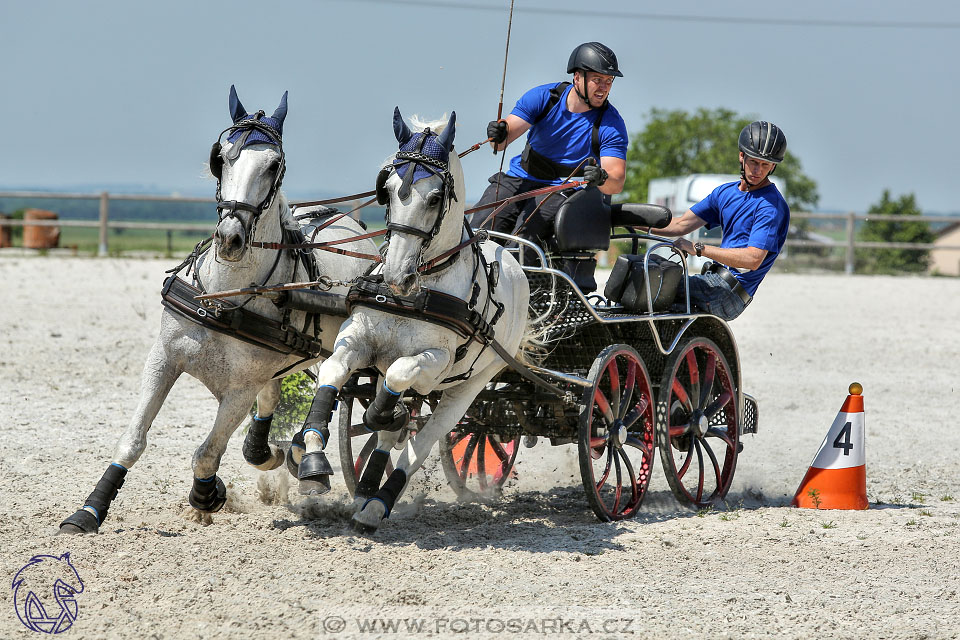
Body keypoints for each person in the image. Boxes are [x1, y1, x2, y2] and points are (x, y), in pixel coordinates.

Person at [470, 42, 629, 256]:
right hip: (520, 178)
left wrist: (602, 177)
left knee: (520, 243)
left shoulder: (612, 124)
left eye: (609, 81)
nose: (604, 87)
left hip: (562, 190)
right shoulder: (545, 97)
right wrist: (499, 133)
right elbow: (499, 142)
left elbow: (616, 183)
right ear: (577, 77)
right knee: (478, 232)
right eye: (597, 80)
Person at [658, 121, 790, 321]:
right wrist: (628, 219)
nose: (758, 170)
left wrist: (698, 248)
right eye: (754, 162)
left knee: (657, 283)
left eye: (765, 165)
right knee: (647, 270)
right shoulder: (725, 193)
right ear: (741, 156)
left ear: (773, 166)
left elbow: (753, 259)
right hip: (713, 281)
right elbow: (680, 225)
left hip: (728, 293)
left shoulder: (770, 207)